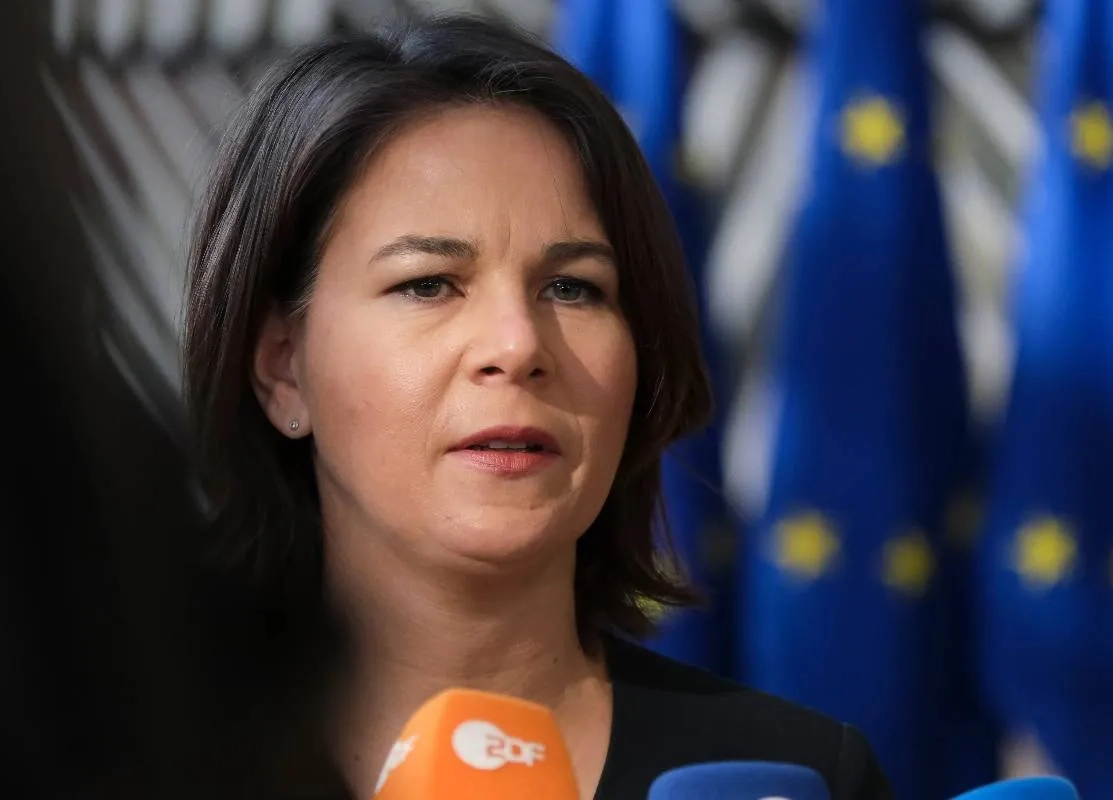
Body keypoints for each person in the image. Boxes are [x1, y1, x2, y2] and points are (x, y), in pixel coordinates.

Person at [183, 15, 895, 800]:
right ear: (283, 368)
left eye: (572, 288)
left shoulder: (794, 778)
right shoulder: (135, 759)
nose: (518, 344)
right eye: (429, 284)